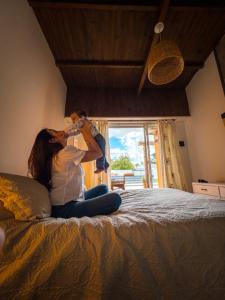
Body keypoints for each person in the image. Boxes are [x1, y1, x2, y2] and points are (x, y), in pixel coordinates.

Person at [28, 120, 121, 218]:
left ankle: (85, 205)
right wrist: (85, 130)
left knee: (103, 188)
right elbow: (97, 153)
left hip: (62, 205)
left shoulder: (57, 155)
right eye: (55, 132)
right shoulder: (66, 152)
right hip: (65, 209)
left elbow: (94, 152)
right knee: (116, 198)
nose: (60, 131)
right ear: (52, 140)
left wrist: (83, 131)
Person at [65, 109, 109, 174]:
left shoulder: (83, 121)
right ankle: (106, 165)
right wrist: (69, 135)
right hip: (97, 139)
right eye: (72, 119)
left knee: (100, 154)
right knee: (101, 152)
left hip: (98, 138)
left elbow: (73, 127)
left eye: (74, 118)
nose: (73, 121)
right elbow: (76, 132)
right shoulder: (80, 126)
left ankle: (100, 167)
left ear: (82, 117)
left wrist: (66, 132)